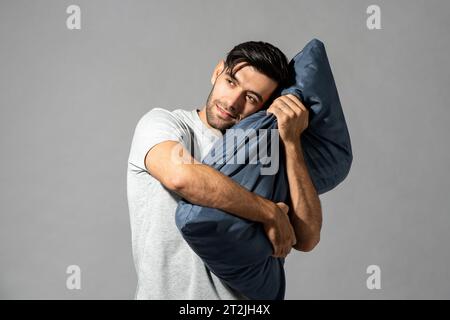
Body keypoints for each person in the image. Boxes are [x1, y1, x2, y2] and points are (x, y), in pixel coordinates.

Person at [127, 41, 322, 300]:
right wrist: (269, 213)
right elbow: (181, 176)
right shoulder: (165, 124)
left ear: (265, 107)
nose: (232, 102)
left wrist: (291, 140)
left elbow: (307, 237)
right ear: (217, 71)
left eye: (251, 98)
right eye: (231, 81)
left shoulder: (263, 153)